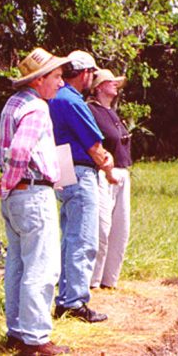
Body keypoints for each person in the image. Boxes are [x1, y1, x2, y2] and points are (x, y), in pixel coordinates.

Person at [0, 48, 71, 356]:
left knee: (17, 265)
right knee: (42, 267)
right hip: (32, 192)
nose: (61, 83)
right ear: (39, 80)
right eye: (56, 76)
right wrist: (11, 180)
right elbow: (19, 151)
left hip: (17, 196)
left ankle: (17, 331)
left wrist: (7, 185)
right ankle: (36, 339)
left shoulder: (13, 103)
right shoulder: (38, 108)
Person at [49, 50, 115, 323]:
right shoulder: (73, 101)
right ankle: (74, 301)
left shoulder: (55, 97)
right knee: (84, 237)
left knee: (70, 234)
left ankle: (67, 295)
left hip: (63, 164)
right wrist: (108, 167)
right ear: (85, 73)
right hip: (79, 167)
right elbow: (94, 145)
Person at [87, 68, 132, 290]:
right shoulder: (91, 111)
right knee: (101, 227)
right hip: (103, 173)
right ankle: (93, 280)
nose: (115, 84)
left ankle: (109, 280)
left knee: (120, 229)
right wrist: (106, 168)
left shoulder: (112, 112)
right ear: (98, 87)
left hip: (123, 172)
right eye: (110, 81)